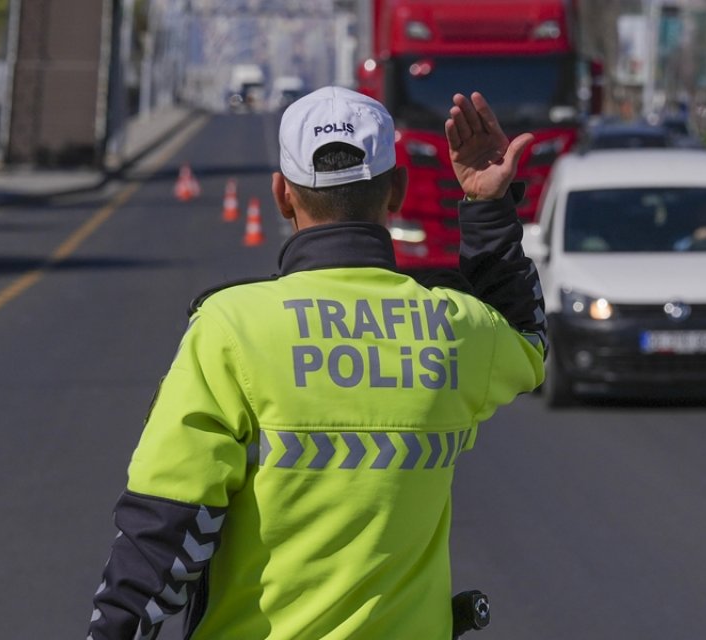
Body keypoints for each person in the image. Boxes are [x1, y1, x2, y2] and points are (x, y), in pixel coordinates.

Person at [87, 87, 547, 639]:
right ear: (397, 190)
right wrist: (488, 207)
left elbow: (165, 528)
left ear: (282, 195)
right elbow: (527, 338)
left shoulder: (232, 327)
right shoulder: (452, 326)